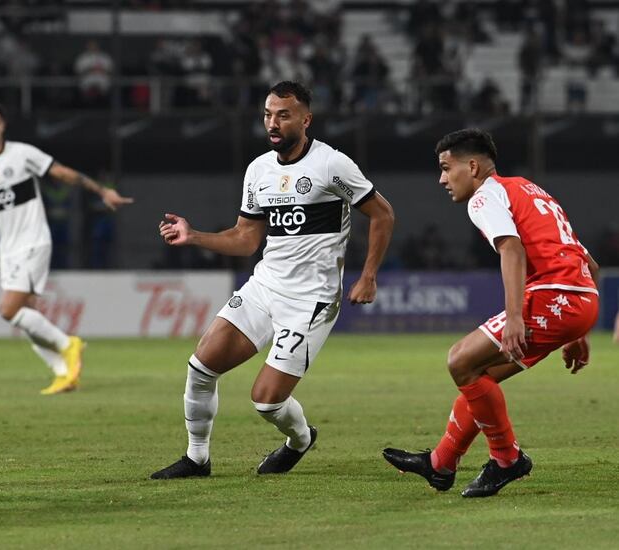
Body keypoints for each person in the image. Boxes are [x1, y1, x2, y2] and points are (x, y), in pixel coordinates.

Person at [151, 81, 395, 479]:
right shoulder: (259, 169)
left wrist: (368, 276)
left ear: (305, 118)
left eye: (283, 115)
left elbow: (383, 215)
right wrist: (194, 236)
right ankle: (197, 459)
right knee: (200, 367)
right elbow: (246, 239)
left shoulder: (332, 164)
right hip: (264, 288)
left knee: (265, 403)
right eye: (268, 114)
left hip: (311, 301)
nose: (273, 123)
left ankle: (300, 440)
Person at [383, 128, 599, 498]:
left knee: (459, 362)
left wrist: (515, 316)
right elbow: (590, 266)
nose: (442, 178)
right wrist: (577, 332)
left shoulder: (484, 197)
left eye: (446, 168)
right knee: (480, 374)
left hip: (553, 295)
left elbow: (512, 250)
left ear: (472, 166)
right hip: (580, 298)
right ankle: (442, 462)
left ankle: (506, 458)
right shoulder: (529, 189)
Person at [0, 103, 133, 395]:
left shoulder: (23, 154)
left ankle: (69, 345)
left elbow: (63, 173)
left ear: (3, 127)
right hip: (8, 248)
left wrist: (101, 190)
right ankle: (65, 374)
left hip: (33, 241)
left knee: (8, 309)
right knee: (27, 315)